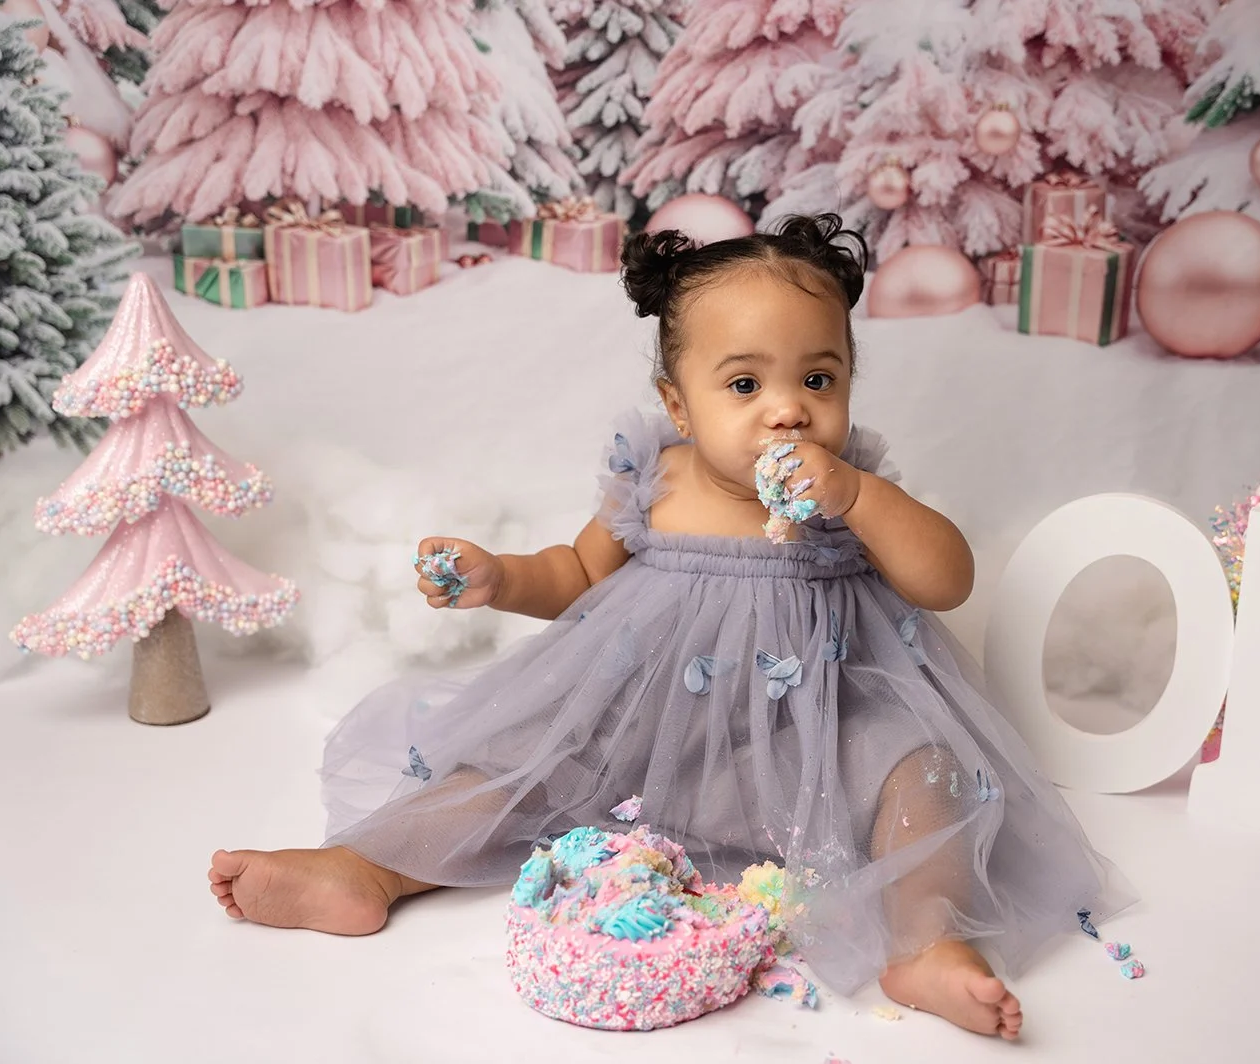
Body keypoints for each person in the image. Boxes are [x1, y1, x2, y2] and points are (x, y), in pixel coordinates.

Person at [209, 213, 1131, 1039]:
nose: (787, 409)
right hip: (641, 733)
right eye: (744, 383)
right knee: (511, 762)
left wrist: (859, 497)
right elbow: (576, 575)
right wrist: (499, 578)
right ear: (679, 404)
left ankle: (926, 944)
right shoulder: (659, 479)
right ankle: (366, 870)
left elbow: (946, 578)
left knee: (924, 774)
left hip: (817, 737)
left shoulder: (854, 488)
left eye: (818, 376)